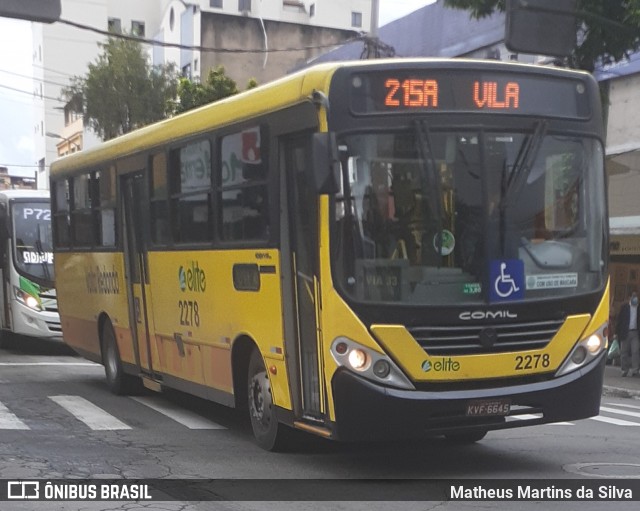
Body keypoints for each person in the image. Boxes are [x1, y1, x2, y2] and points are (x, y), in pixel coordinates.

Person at [615, 292, 640, 377]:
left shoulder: (638, 308)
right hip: (625, 332)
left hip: (635, 332)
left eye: (636, 297)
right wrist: (616, 332)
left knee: (635, 351)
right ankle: (624, 370)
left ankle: (635, 370)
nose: (635, 298)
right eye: (633, 297)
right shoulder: (625, 307)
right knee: (624, 352)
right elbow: (620, 320)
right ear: (630, 298)